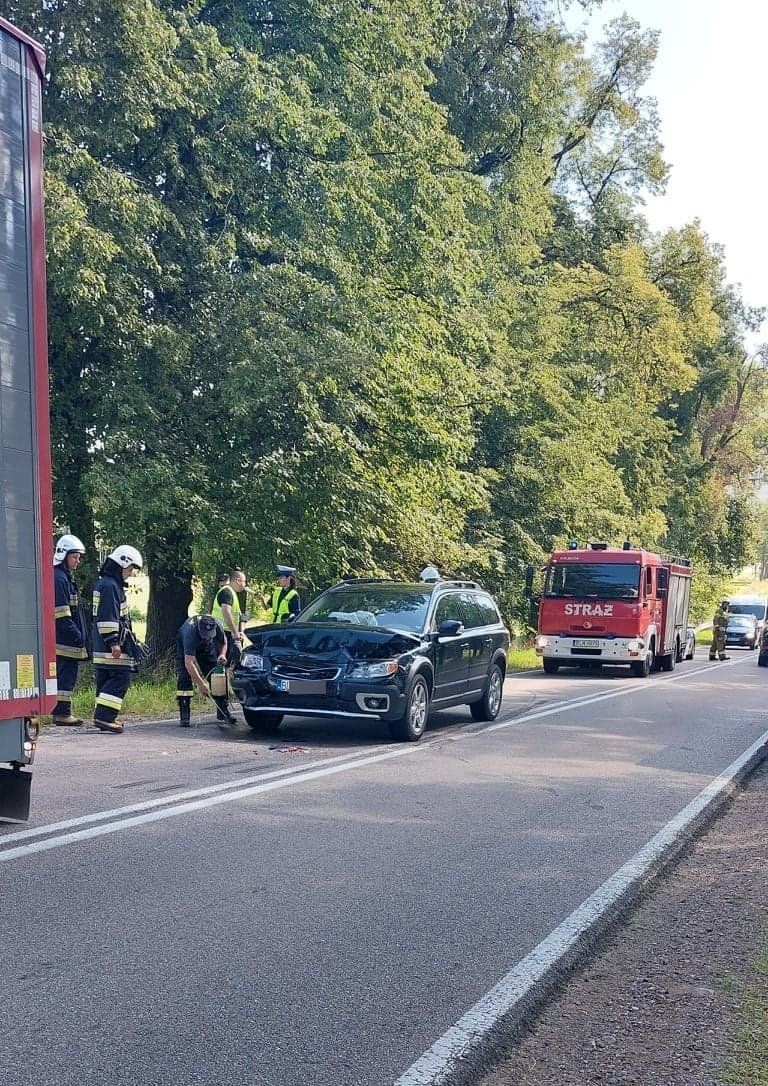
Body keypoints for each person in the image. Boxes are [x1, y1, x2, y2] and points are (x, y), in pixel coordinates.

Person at [91, 545, 143, 733]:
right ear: (121, 564)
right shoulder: (111, 587)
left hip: (100, 644)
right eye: (129, 569)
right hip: (110, 646)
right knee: (121, 677)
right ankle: (105, 717)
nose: (130, 574)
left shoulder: (105, 584)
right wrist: (114, 642)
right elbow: (108, 617)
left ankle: (101, 715)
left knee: (105, 680)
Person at [52, 533, 89, 726]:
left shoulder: (64, 577)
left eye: (79, 557)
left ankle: (62, 712)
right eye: (74, 557)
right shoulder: (59, 579)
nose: (78, 561)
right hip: (64, 642)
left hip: (68, 641)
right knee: (65, 679)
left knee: (67, 678)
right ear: (63, 555)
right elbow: (61, 614)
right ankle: (62, 713)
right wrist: (77, 636)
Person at [175, 614, 233, 727]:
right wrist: (201, 684)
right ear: (199, 629)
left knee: (217, 676)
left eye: (210, 635)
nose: (207, 637)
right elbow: (189, 663)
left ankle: (223, 710)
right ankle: (185, 713)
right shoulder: (190, 634)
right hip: (185, 649)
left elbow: (224, 642)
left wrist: (222, 654)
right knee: (184, 679)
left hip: (206, 649)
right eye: (204, 635)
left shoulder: (217, 625)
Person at [211, 569, 246, 666]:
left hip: (226, 632)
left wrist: (240, 631)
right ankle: (218, 681)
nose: (245, 585)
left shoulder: (232, 593)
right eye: (244, 582)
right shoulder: (227, 592)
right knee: (220, 663)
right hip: (222, 633)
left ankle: (224, 680)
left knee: (226, 663)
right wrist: (235, 632)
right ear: (238, 580)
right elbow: (226, 612)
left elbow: (240, 616)